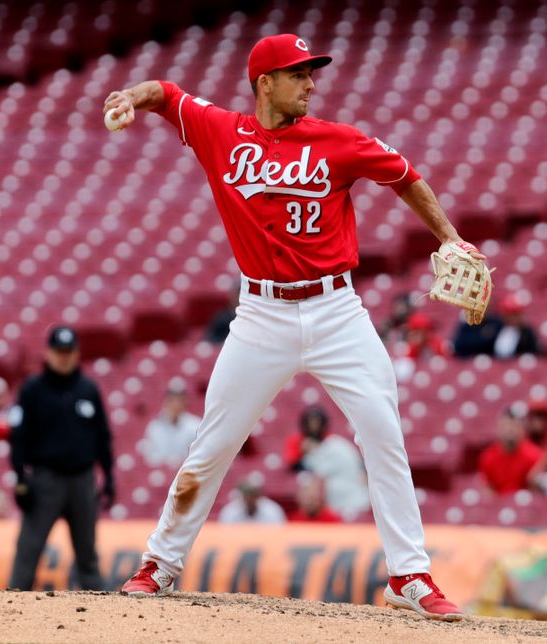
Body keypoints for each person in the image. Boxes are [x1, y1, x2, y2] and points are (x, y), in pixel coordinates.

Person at [107, 32, 481, 620]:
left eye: (312, 73)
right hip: (260, 315)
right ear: (265, 83)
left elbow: (405, 175)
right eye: (299, 74)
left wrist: (450, 237)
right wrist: (131, 96)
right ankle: (160, 564)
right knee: (213, 444)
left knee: (383, 432)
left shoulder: (338, 140)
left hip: (338, 312)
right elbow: (166, 93)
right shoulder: (221, 131)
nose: (312, 84)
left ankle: (409, 574)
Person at [8, 326, 114, 591]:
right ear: (49, 353)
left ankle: (102, 620)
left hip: (82, 480)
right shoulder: (32, 390)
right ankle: (10, 612)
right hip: (46, 480)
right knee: (28, 551)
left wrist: (109, 477)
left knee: (88, 554)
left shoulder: (88, 389)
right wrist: (21, 479)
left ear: (77, 353)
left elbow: (103, 436)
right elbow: (18, 436)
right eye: (59, 351)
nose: (64, 357)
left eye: (69, 351)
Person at [479, 407, 542, 494]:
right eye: (506, 425)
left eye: (514, 425)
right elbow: (488, 489)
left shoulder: (534, 454)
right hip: (499, 504)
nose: (510, 430)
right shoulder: (488, 456)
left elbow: (537, 489)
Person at [139, 378, 201, 468]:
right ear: (165, 402)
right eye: (172, 400)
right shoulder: (154, 426)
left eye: (179, 400)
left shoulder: (195, 425)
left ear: (185, 402)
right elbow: (149, 455)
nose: (176, 405)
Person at [217, 475, 286, 524]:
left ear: (258, 494)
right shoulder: (230, 511)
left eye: (252, 493)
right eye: (246, 493)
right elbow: (224, 535)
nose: (249, 497)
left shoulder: (272, 510)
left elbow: (279, 534)